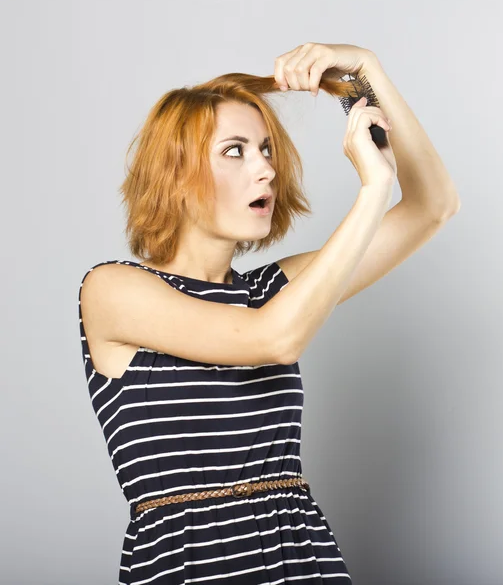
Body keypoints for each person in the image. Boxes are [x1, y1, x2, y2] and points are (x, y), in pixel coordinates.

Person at [78, 44, 459, 584]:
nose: (265, 168)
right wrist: (373, 191)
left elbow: (432, 206)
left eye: (265, 149)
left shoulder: (273, 290)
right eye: (234, 151)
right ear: (174, 175)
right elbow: (273, 340)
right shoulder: (113, 289)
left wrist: (364, 75)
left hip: (302, 561)